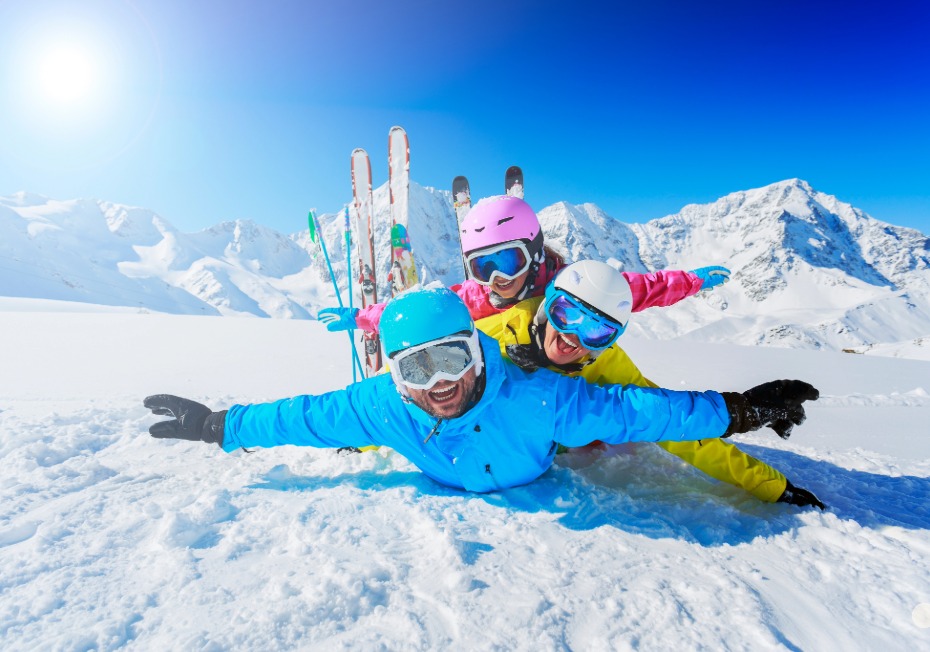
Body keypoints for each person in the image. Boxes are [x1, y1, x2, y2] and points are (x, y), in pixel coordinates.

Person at [144, 287, 820, 495]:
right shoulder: (383, 406)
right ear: (395, 376)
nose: (440, 383)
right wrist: (217, 426)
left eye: (452, 359)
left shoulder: (536, 395)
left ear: (479, 350)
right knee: (346, 435)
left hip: (540, 456)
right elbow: (303, 417)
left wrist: (745, 410)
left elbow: (646, 410)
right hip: (452, 461)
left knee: (601, 433)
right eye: (417, 369)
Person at [475, 259, 825, 508]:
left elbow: (672, 425)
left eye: (595, 332)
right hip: (497, 445)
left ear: (610, 341)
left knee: (599, 420)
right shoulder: (496, 335)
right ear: (547, 305)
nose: (572, 337)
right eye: (566, 314)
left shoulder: (610, 365)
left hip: (557, 443)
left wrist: (770, 486)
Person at [318, 195, 731, 332]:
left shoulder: (570, 284)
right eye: (484, 267)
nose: (499, 278)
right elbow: (418, 310)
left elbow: (639, 288)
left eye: (509, 260)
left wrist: (690, 281)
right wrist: (361, 317)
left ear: (534, 253)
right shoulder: (475, 296)